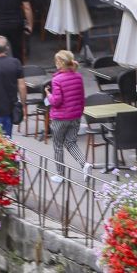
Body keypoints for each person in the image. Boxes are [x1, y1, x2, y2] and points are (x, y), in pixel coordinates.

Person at [47, 50, 89, 182]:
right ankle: (84, 164)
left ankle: (60, 174)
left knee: (58, 145)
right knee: (71, 142)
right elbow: (82, 98)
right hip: (75, 116)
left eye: (56, 61)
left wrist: (48, 95)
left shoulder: (57, 80)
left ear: (60, 62)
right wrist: (79, 112)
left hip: (60, 118)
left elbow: (56, 101)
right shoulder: (78, 77)